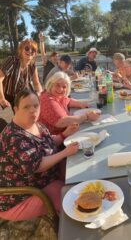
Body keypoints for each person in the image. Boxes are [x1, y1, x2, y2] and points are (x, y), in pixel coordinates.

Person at [0, 89, 79, 220]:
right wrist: (65, 152)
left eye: (36, 106)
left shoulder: (35, 124)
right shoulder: (14, 137)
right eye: (26, 107)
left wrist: (65, 134)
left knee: (77, 174)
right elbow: (37, 165)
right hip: (22, 195)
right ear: (15, 109)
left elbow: (47, 141)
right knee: (71, 199)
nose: (32, 110)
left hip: (45, 179)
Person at [0, 39, 42, 109]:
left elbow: (37, 83)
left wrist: (38, 92)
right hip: (4, 94)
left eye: (33, 50)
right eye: (27, 48)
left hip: (20, 97)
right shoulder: (12, 61)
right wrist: (2, 99)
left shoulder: (32, 66)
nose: (30, 51)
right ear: (21, 50)